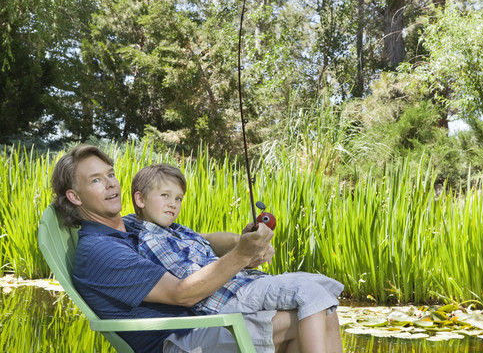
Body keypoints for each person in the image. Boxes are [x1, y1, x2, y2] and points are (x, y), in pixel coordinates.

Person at [50, 144, 342, 353]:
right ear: (75, 196)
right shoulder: (101, 251)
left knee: (321, 309)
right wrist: (241, 256)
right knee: (312, 309)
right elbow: (183, 294)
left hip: (203, 324)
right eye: (96, 180)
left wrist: (240, 241)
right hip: (179, 340)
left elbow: (201, 239)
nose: (111, 185)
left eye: (110, 174)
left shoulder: (129, 224)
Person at [127, 164, 344, 353]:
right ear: (140, 199)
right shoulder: (152, 240)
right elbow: (192, 278)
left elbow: (215, 251)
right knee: (311, 292)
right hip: (229, 297)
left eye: (178, 198)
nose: (173, 203)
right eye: (165, 195)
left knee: (326, 300)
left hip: (244, 285)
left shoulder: (181, 232)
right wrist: (239, 257)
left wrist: (247, 243)